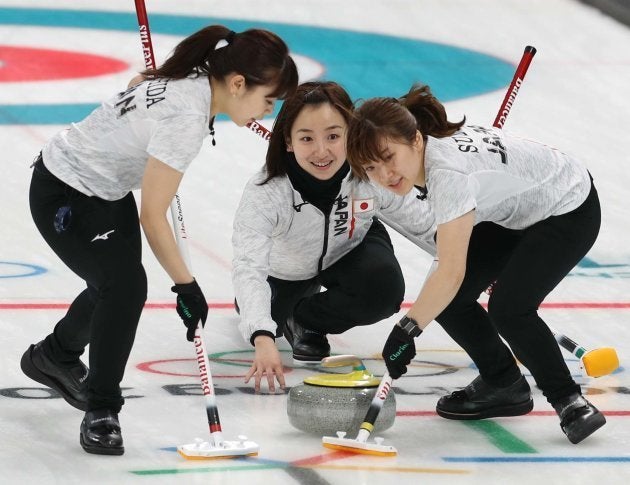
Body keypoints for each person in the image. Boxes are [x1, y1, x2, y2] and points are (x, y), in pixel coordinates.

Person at [21, 25, 297, 456]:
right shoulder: (187, 114)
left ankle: (55, 355)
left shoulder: (193, 78)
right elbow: (153, 216)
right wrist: (186, 286)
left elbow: (137, 89)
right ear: (238, 83)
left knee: (116, 285)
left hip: (104, 188)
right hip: (65, 191)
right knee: (126, 285)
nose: (267, 110)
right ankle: (102, 407)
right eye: (268, 99)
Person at [345, 83, 605, 444]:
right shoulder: (430, 156)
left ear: (415, 140)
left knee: (510, 309)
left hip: (568, 206)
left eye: (388, 157)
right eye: (371, 167)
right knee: (450, 299)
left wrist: (407, 328)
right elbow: (449, 272)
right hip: (514, 212)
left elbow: (451, 271)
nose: (385, 175)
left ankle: (570, 401)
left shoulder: (447, 175)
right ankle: (502, 383)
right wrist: (417, 318)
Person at [231, 81, 436, 393]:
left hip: (351, 245)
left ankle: (308, 320)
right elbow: (249, 266)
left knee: (382, 286)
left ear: (350, 133)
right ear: (288, 140)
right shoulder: (266, 192)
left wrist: (471, 258)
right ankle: (286, 314)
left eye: (333, 136)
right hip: (287, 269)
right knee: (264, 315)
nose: (322, 151)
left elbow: (423, 222)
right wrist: (262, 335)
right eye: (307, 138)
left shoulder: (370, 171)